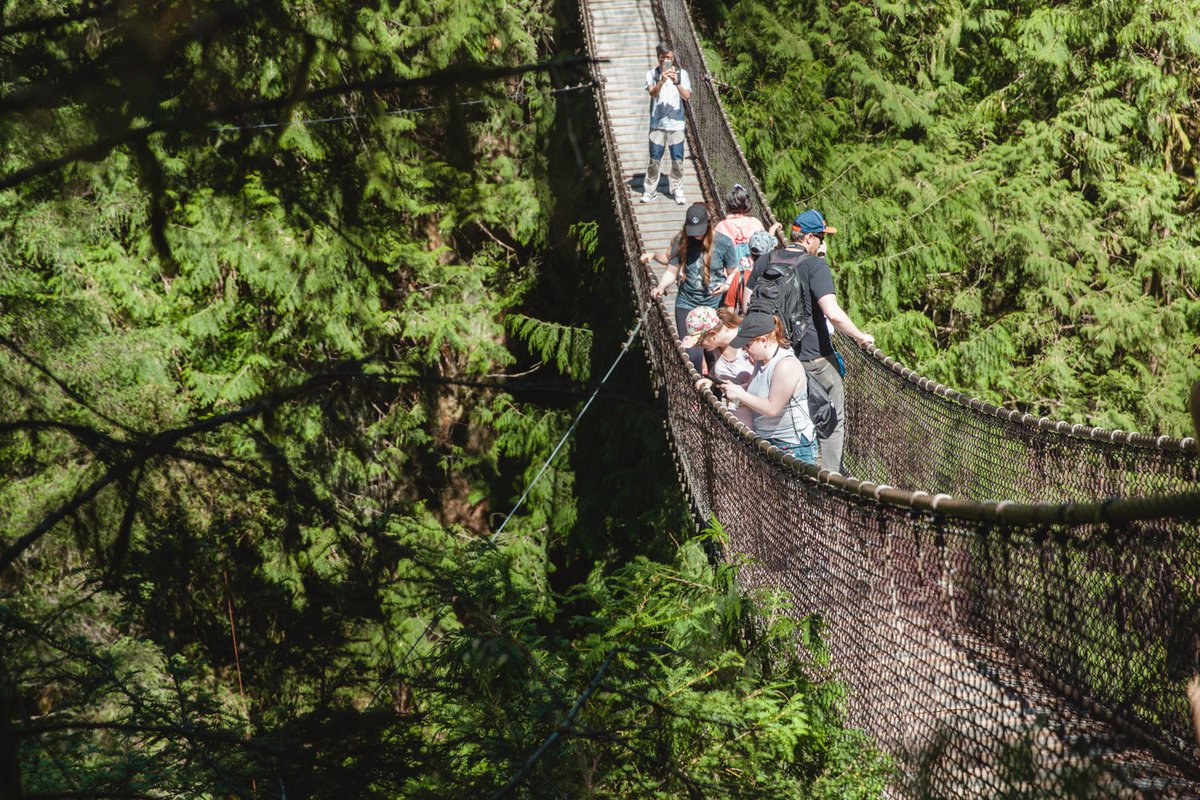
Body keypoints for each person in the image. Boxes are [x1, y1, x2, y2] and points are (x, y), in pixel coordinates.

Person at [745, 208, 874, 473]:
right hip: (814, 359)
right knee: (831, 419)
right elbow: (833, 314)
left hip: (777, 359)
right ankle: (830, 478)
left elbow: (748, 304)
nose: (822, 244)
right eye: (821, 237)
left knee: (791, 414)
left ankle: (791, 469)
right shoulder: (815, 266)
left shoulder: (765, 261)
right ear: (808, 239)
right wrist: (861, 337)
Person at [717, 310, 818, 464]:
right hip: (765, 440)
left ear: (763, 340)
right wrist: (726, 386)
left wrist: (739, 394)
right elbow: (755, 389)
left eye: (747, 345)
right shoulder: (760, 360)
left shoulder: (786, 365)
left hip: (792, 446)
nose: (744, 350)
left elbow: (772, 408)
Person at [643, 202, 738, 347]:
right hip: (687, 302)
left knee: (713, 352)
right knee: (692, 356)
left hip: (715, 305)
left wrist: (726, 286)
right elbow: (671, 270)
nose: (697, 234)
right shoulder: (681, 239)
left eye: (700, 229)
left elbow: (733, 273)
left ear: (708, 223)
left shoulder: (724, 242)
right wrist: (661, 287)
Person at [641, 42, 691, 205]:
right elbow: (652, 94)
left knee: (678, 159)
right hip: (657, 124)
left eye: (669, 57)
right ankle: (650, 190)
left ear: (673, 57)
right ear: (658, 58)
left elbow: (687, 96)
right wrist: (662, 81)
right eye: (663, 58)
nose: (666, 61)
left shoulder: (682, 74)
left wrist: (677, 83)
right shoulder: (652, 74)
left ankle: (677, 188)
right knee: (655, 159)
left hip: (676, 125)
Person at [689, 307, 755, 428]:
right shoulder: (716, 346)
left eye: (700, 342)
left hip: (759, 422)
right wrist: (710, 379)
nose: (699, 346)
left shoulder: (750, 342)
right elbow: (723, 369)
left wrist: (739, 390)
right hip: (736, 416)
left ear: (713, 334)